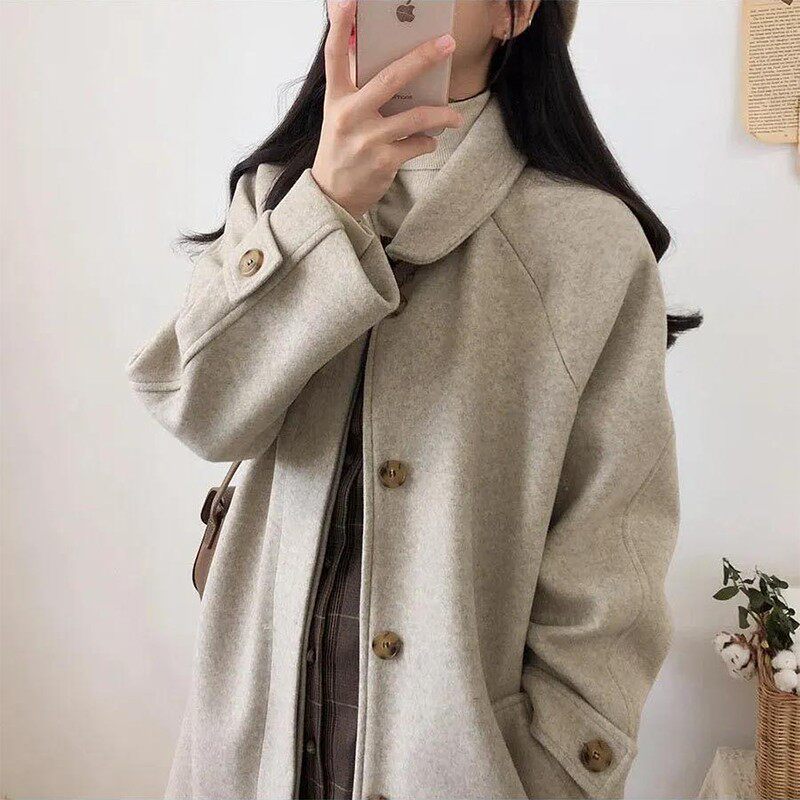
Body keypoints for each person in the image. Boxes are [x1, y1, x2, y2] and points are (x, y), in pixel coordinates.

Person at [126, 1, 701, 798]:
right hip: (251, 759)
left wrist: (552, 771)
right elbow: (201, 412)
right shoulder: (275, 199)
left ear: (515, 13)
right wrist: (323, 207)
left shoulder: (591, 244)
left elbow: (611, 562)